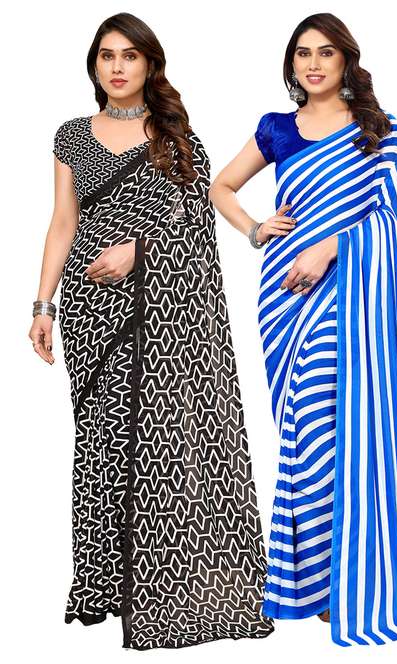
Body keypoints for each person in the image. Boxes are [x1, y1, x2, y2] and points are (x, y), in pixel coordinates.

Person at [208, 12, 397, 647]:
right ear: (291, 64)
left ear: (346, 60)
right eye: (303, 53)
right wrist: (254, 229)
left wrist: (331, 245)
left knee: (342, 427)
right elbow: (219, 185)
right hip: (286, 296)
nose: (313, 63)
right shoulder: (277, 129)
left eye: (326, 52)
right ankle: (319, 583)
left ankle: (350, 582)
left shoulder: (380, 130)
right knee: (305, 432)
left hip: (355, 292)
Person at [28, 12, 274, 651]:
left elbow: (196, 225)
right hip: (91, 310)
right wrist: (42, 304)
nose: (117, 67)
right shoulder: (71, 136)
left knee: (161, 444)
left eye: (129, 56)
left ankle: (165, 581)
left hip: (161, 316)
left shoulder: (177, 139)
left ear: (149, 65)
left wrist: (140, 251)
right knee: (102, 443)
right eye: (106, 55)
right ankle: (105, 583)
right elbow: (62, 223)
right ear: (94, 65)